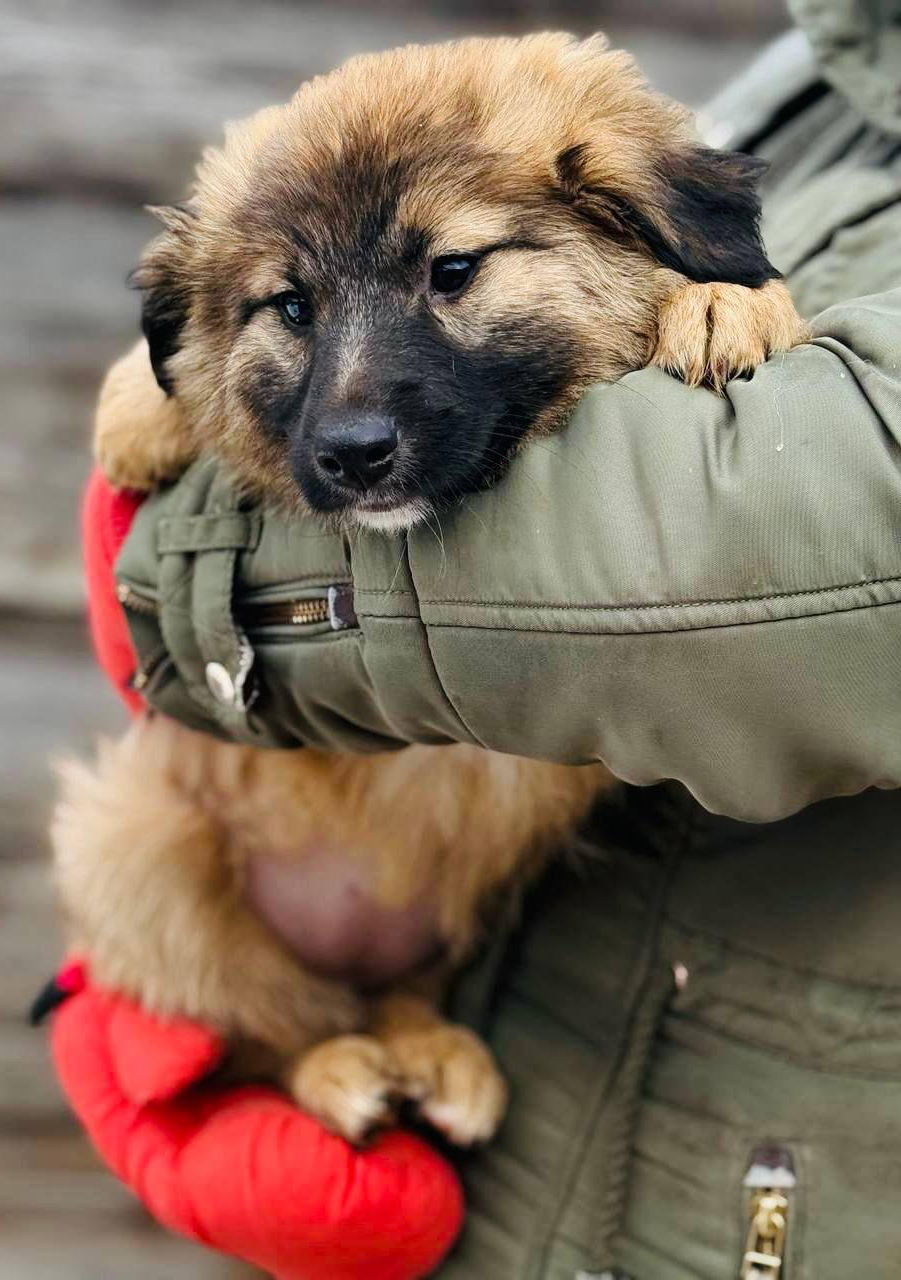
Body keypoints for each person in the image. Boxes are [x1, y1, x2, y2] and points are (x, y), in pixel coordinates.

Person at [94, 2, 901, 1274]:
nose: (352, 414)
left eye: (452, 272)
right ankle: (327, 1034)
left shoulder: (650, 159)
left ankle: (390, 1018)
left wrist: (202, 581)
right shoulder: (824, 73)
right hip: (487, 1026)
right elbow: (181, 362)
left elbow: (795, 523)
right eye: (293, 306)